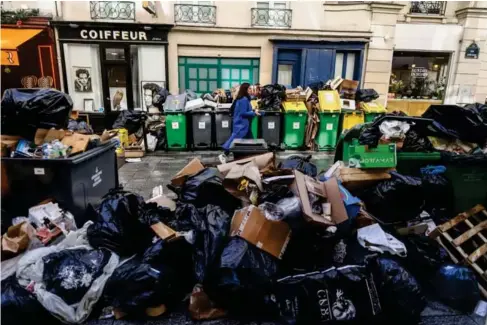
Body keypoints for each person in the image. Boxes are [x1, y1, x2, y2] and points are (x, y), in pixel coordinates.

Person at [219, 83, 264, 163]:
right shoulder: (243, 99)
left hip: (243, 124)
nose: (251, 90)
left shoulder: (244, 99)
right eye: (249, 89)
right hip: (241, 124)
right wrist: (254, 113)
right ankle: (224, 154)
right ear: (245, 90)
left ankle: (250, 158)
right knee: (235, 140)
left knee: (250, 142)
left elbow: (246, 111)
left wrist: (254, 111)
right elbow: (243, 113)